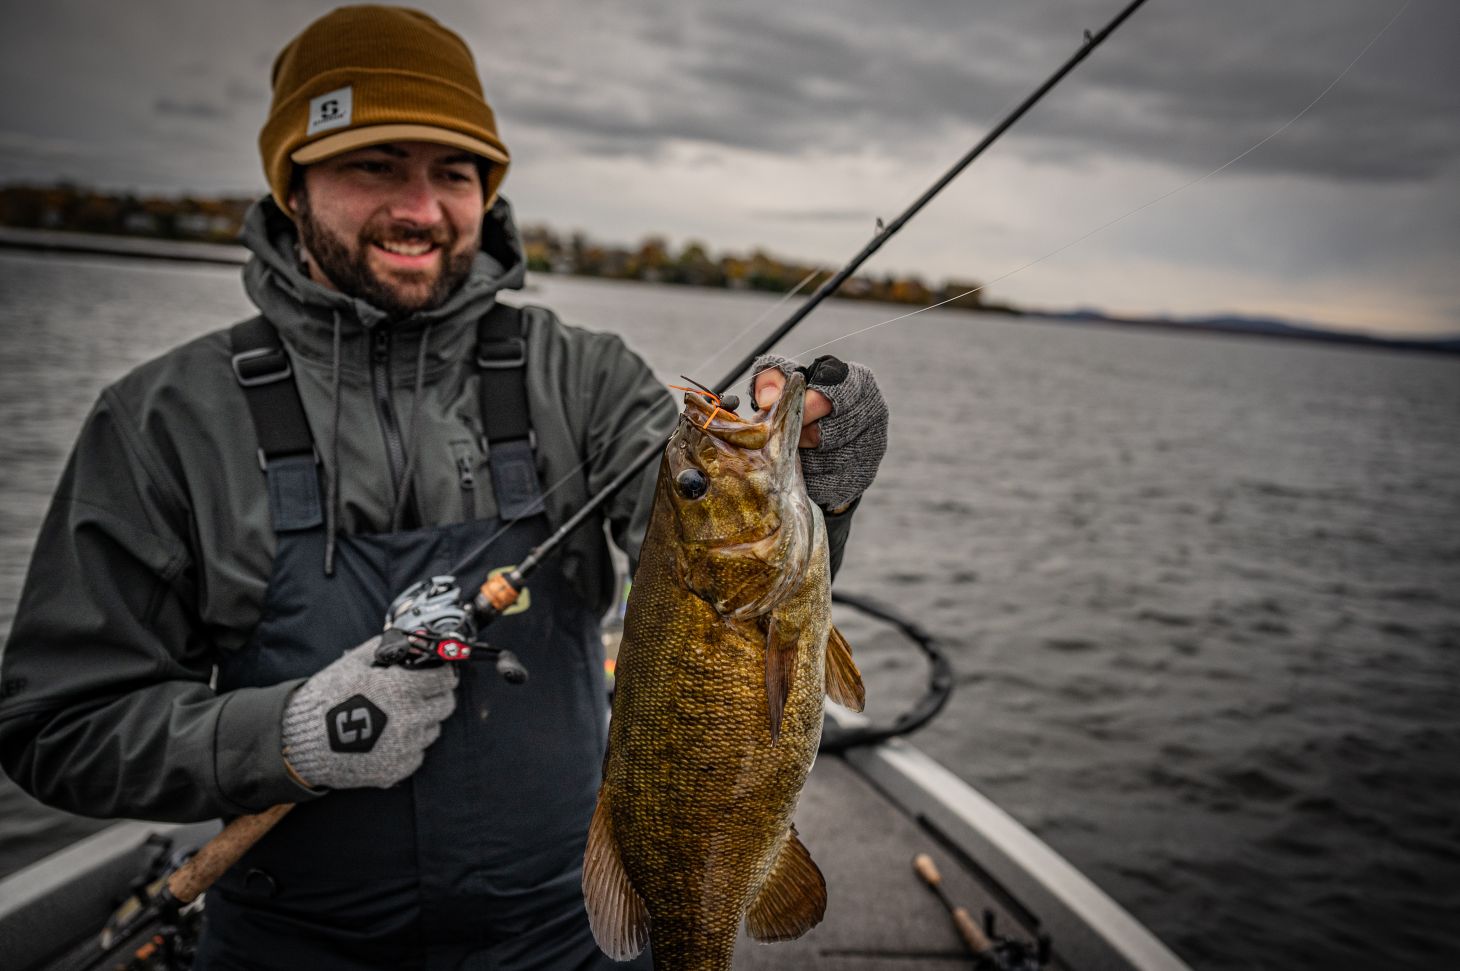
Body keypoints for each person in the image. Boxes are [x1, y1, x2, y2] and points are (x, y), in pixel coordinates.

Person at [0, 6, 888, 969]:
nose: (420, 206)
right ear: (292, 182)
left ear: (486, 189)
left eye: (454, 170)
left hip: (560, 930)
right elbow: (57, 727)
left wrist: (824, 487)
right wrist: (289, 733)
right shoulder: (161, 420)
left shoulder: (580, 377)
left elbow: (718, 567)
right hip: (287, 946)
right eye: (374, 163)